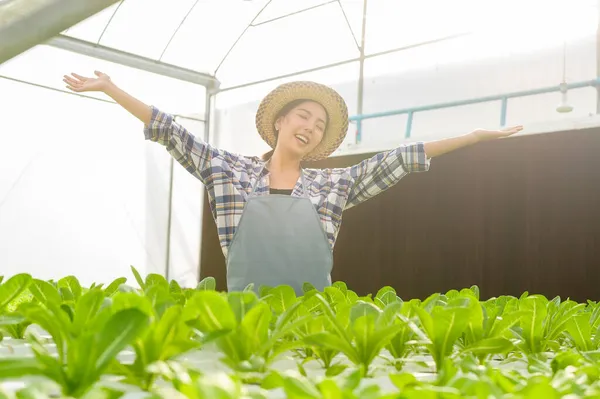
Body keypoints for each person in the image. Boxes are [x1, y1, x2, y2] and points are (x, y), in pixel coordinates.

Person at [63, 71, 523, 295]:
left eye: (320, 124)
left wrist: (474, 137)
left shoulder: (333, 185)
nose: (311, 126)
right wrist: (111, 88)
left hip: (312, 315)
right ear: (281, 121)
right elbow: (171, 131)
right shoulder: (229, 171)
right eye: (303, 115)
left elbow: (399, 160)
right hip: (244, 315)